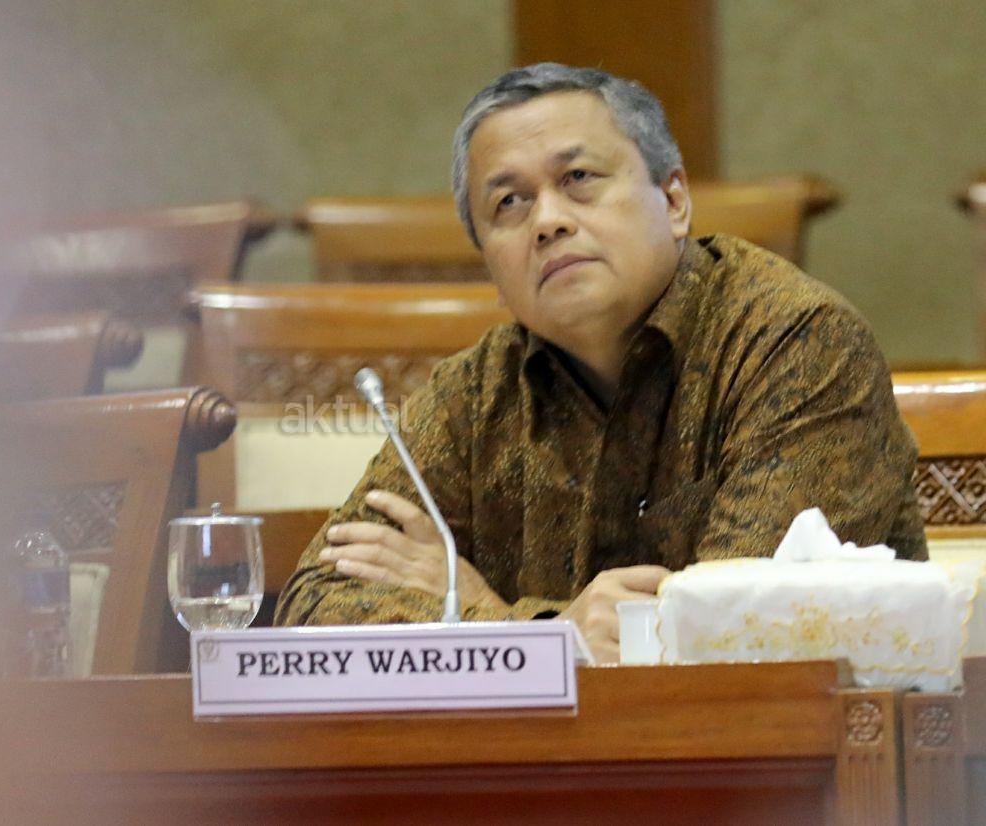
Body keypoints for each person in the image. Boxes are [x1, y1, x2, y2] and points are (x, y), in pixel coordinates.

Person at [273, 63, 927, 662]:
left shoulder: (797, 344)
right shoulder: (471, 395)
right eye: (509, 203)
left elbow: (739, 636)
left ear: (674, 201)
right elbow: (311, 611)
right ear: (491, 268)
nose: (547, 221)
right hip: (544, 752)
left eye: (578, 179)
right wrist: (543, 634)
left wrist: (490, 619)